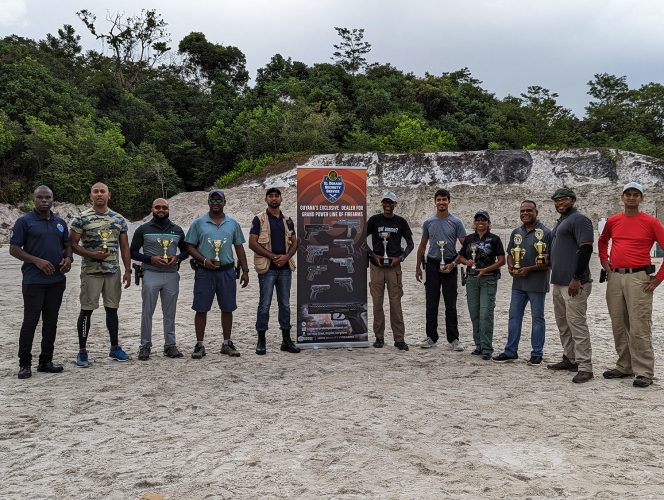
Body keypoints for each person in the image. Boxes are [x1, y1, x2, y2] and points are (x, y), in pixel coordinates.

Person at [598, 182, 664, 388]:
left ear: (641, 198)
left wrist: (658, 278)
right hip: (615, 277)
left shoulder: (651, 222)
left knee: (639, 325)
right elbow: (602, 241)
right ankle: (624, 365)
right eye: (628, 194)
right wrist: (604, 260)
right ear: (622, 197)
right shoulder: (613, 220)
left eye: (636, 194)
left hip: (638, 278)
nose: (632, 198)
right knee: (618, 323)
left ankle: (644, 371)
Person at [10, 186, 72, 379]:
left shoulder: (60, 223)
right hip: (33, 281)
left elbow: (67, 246)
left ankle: (45, 361)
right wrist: (36, 260)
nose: (44, 200)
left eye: (48, 197)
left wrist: (68, 259)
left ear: (53, 199)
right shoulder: (24, 221)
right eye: (40, 197)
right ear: (34, 199)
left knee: (51, 323)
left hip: (56, 281)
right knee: (30, 322)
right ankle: (24, 364)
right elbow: (14, 248)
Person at [70, 182, 132, 367]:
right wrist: (92, 255)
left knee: (112, 310)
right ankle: (82, 351)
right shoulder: (81, 218)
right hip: (91, 272)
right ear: (91, 196)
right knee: (86, 311)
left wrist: (127, 269)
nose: (99, 194)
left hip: (112, 272)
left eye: (102, 191)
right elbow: (72, 245)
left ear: (108, 195)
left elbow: (124, 246)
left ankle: (114, 348)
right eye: (95, 192)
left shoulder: (118, 219)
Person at [185, 189, 249, 359]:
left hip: (226, 271)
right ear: (208, 202)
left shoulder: (233, 224)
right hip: (204, 272)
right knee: (201, 308)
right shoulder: (198, 223)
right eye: (212, 200)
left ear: (224, 202)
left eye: (219, 200)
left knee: (227, 308)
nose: (215, 203)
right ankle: (199, 345)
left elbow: (239, 247)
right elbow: (189, 246)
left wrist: (245, 270)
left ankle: (227, 343)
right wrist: (203, 260)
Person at [493, 201, 552, 366]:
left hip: (537, 283)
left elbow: (550, 261)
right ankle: (511, 351)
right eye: (522, 211)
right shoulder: (516, 232)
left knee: (537, 318)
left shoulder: (546, 233)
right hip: (518, 284)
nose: (525, 213)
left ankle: (537, 353)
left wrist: (529, 269)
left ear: (536, 212)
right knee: (514, 317)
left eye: (529, 210)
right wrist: (511, 266)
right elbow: (511, 253)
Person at [130, 198, 189, 361]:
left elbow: (186, 251)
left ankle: (170, 345)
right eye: (157, 207)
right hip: (150, 273)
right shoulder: (143, 229)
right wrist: (150, 259)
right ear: (152, 209)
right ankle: (145, 345)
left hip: (171, 275)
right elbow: (132, 252)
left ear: (168, 209)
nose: (161, 210)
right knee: (147, 312)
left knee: (170, 313)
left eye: (164, 207)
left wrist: (177, 258)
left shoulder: (177, 230)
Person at [546, 187, 594, 383]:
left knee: (577, 324)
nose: (560, 203)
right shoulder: (561, 222)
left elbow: (586, 249)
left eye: (564, 199)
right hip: (558, 282)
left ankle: (585, 366)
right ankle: (570, 358)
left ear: (573, 200)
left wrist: (577, 277)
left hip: (574, 282)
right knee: (563, 323)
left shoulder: (580, 220)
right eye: (557, 200)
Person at [248, 187, 300, 355]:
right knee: (265, 304)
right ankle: (261, 340)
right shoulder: (259, 220)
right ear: (266, 199)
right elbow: (252, 243)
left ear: (281, 199)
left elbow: (295, 241)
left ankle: (286, 340)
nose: (274, 199)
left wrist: (286, 257)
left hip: (285, 268)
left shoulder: (287, 220)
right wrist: (272, 256)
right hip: (267, 268)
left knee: (284, 304)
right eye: (270, 196)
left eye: (277, 196)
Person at [415, 189, 467, 350]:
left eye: (444, 199)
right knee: (431, 302)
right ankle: (431, 337)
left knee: (450, 303)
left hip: (449, 264)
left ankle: (454, 339)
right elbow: (423, 245)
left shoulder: (456, 222)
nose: (441, 202)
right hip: (432, 264)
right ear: (435, 201)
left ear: (449, 201)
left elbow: (465, 246)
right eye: (439, 200)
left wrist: (454, 263)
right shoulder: (429, 222)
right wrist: (418, 266)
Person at [366, 191, 414, 351]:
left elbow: (410, 243)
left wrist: (400, 258)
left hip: (394, 268)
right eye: (385, 202)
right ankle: (379, 337)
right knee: (377, 304)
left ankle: (399, 339)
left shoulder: (400, 222)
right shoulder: (374, 220)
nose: (388, 205)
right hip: (377, 268)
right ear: (382, 204)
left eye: (391, 202)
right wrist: (373, 255)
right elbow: (360, 240)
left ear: (395, 204)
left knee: (396, 304)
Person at [455, 210, 505, 360]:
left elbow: (501, 261)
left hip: (488, 280)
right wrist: (467, 262)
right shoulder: (469, 239)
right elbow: (460, 257)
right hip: (471, 280)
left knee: (486, 314)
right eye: (478, 220)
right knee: (474, 314)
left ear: (489, 223)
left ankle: (487, 348)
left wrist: (485, 270)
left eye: (484, 220)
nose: (480, 222)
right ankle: (478, 346)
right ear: (474, 223)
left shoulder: (495, 239)